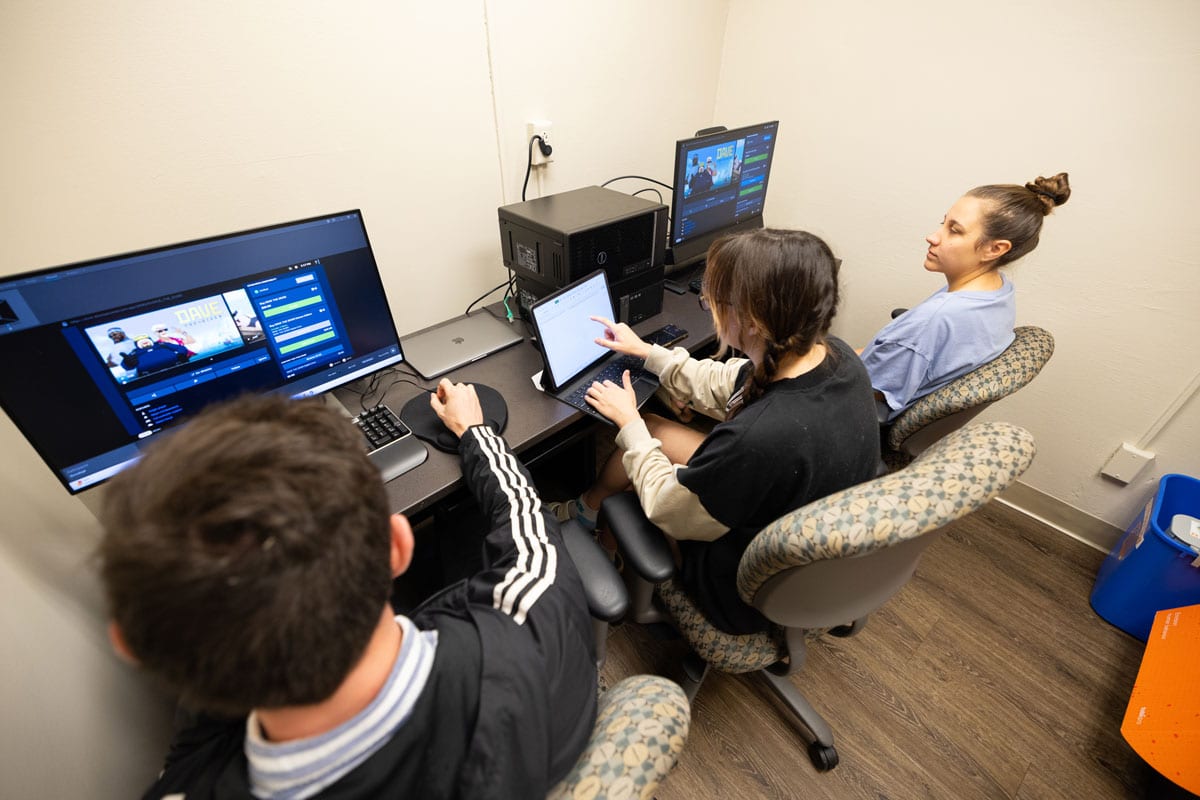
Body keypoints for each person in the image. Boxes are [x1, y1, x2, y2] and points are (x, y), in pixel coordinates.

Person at [98, 387, 597, 799]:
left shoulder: (187, 785)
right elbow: (523, 516)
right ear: (397, 545)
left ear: (134, 648)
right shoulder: (535, 626)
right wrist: (474, 430)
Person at [551, 228, 881, 635]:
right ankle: (590, 514)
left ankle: (599, 544)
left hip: (742, 589)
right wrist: (647, 353)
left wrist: (629, 423)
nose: (709, 308)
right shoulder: (835, 356)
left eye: (714, 300)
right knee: (652, 431)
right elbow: (728, 381)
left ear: (754, 321)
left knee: (640, 455)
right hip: (800, 530)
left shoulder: (760, 439)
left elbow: (670, 508)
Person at [860, 172, 1071, 422]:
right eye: (943, 222)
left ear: (995, 249)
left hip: (858, 411)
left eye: (955, 230)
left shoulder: (934, 320)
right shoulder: (997, 291)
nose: (933, 236)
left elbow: (865, 388)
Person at [120, 334, 190, 376]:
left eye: (146, 341)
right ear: (137, 345)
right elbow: (126, 366)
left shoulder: (162, 345)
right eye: (141, 342)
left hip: (176, 367)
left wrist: (180, 354)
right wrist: (127, 363)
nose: (145, 343)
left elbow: (180, 348)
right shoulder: (134, 352)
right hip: (150, 375)